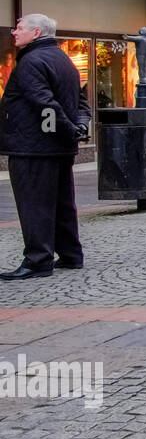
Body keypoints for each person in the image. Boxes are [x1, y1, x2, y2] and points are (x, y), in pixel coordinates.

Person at [0, 14, 92, 279]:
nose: (14, 32)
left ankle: (38, 260)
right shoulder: (65, 61)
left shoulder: (32, 61)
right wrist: (77, 129)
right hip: (57, 147)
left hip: (33, 146)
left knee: (34, 203)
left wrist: (69, 129)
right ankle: (71, 254)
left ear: (37, 32)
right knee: (63, 202)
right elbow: (80, 104)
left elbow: (45, 103)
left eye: (19, 28)